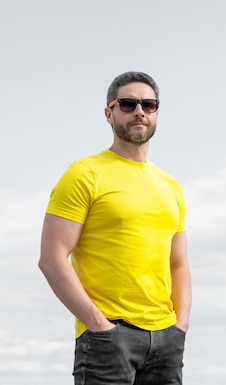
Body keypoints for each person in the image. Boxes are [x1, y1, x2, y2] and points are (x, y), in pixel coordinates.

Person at [38, 71, 192, 385]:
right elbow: (52, 258)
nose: (139, 111)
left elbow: (178, 262)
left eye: (148, 104)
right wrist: (98, 324)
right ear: (109, 113)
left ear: (156, 113)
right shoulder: (84, 174)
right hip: (108, 338)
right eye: (128, 103)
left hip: (166, 340)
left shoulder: (171, 186)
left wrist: (181, 325)